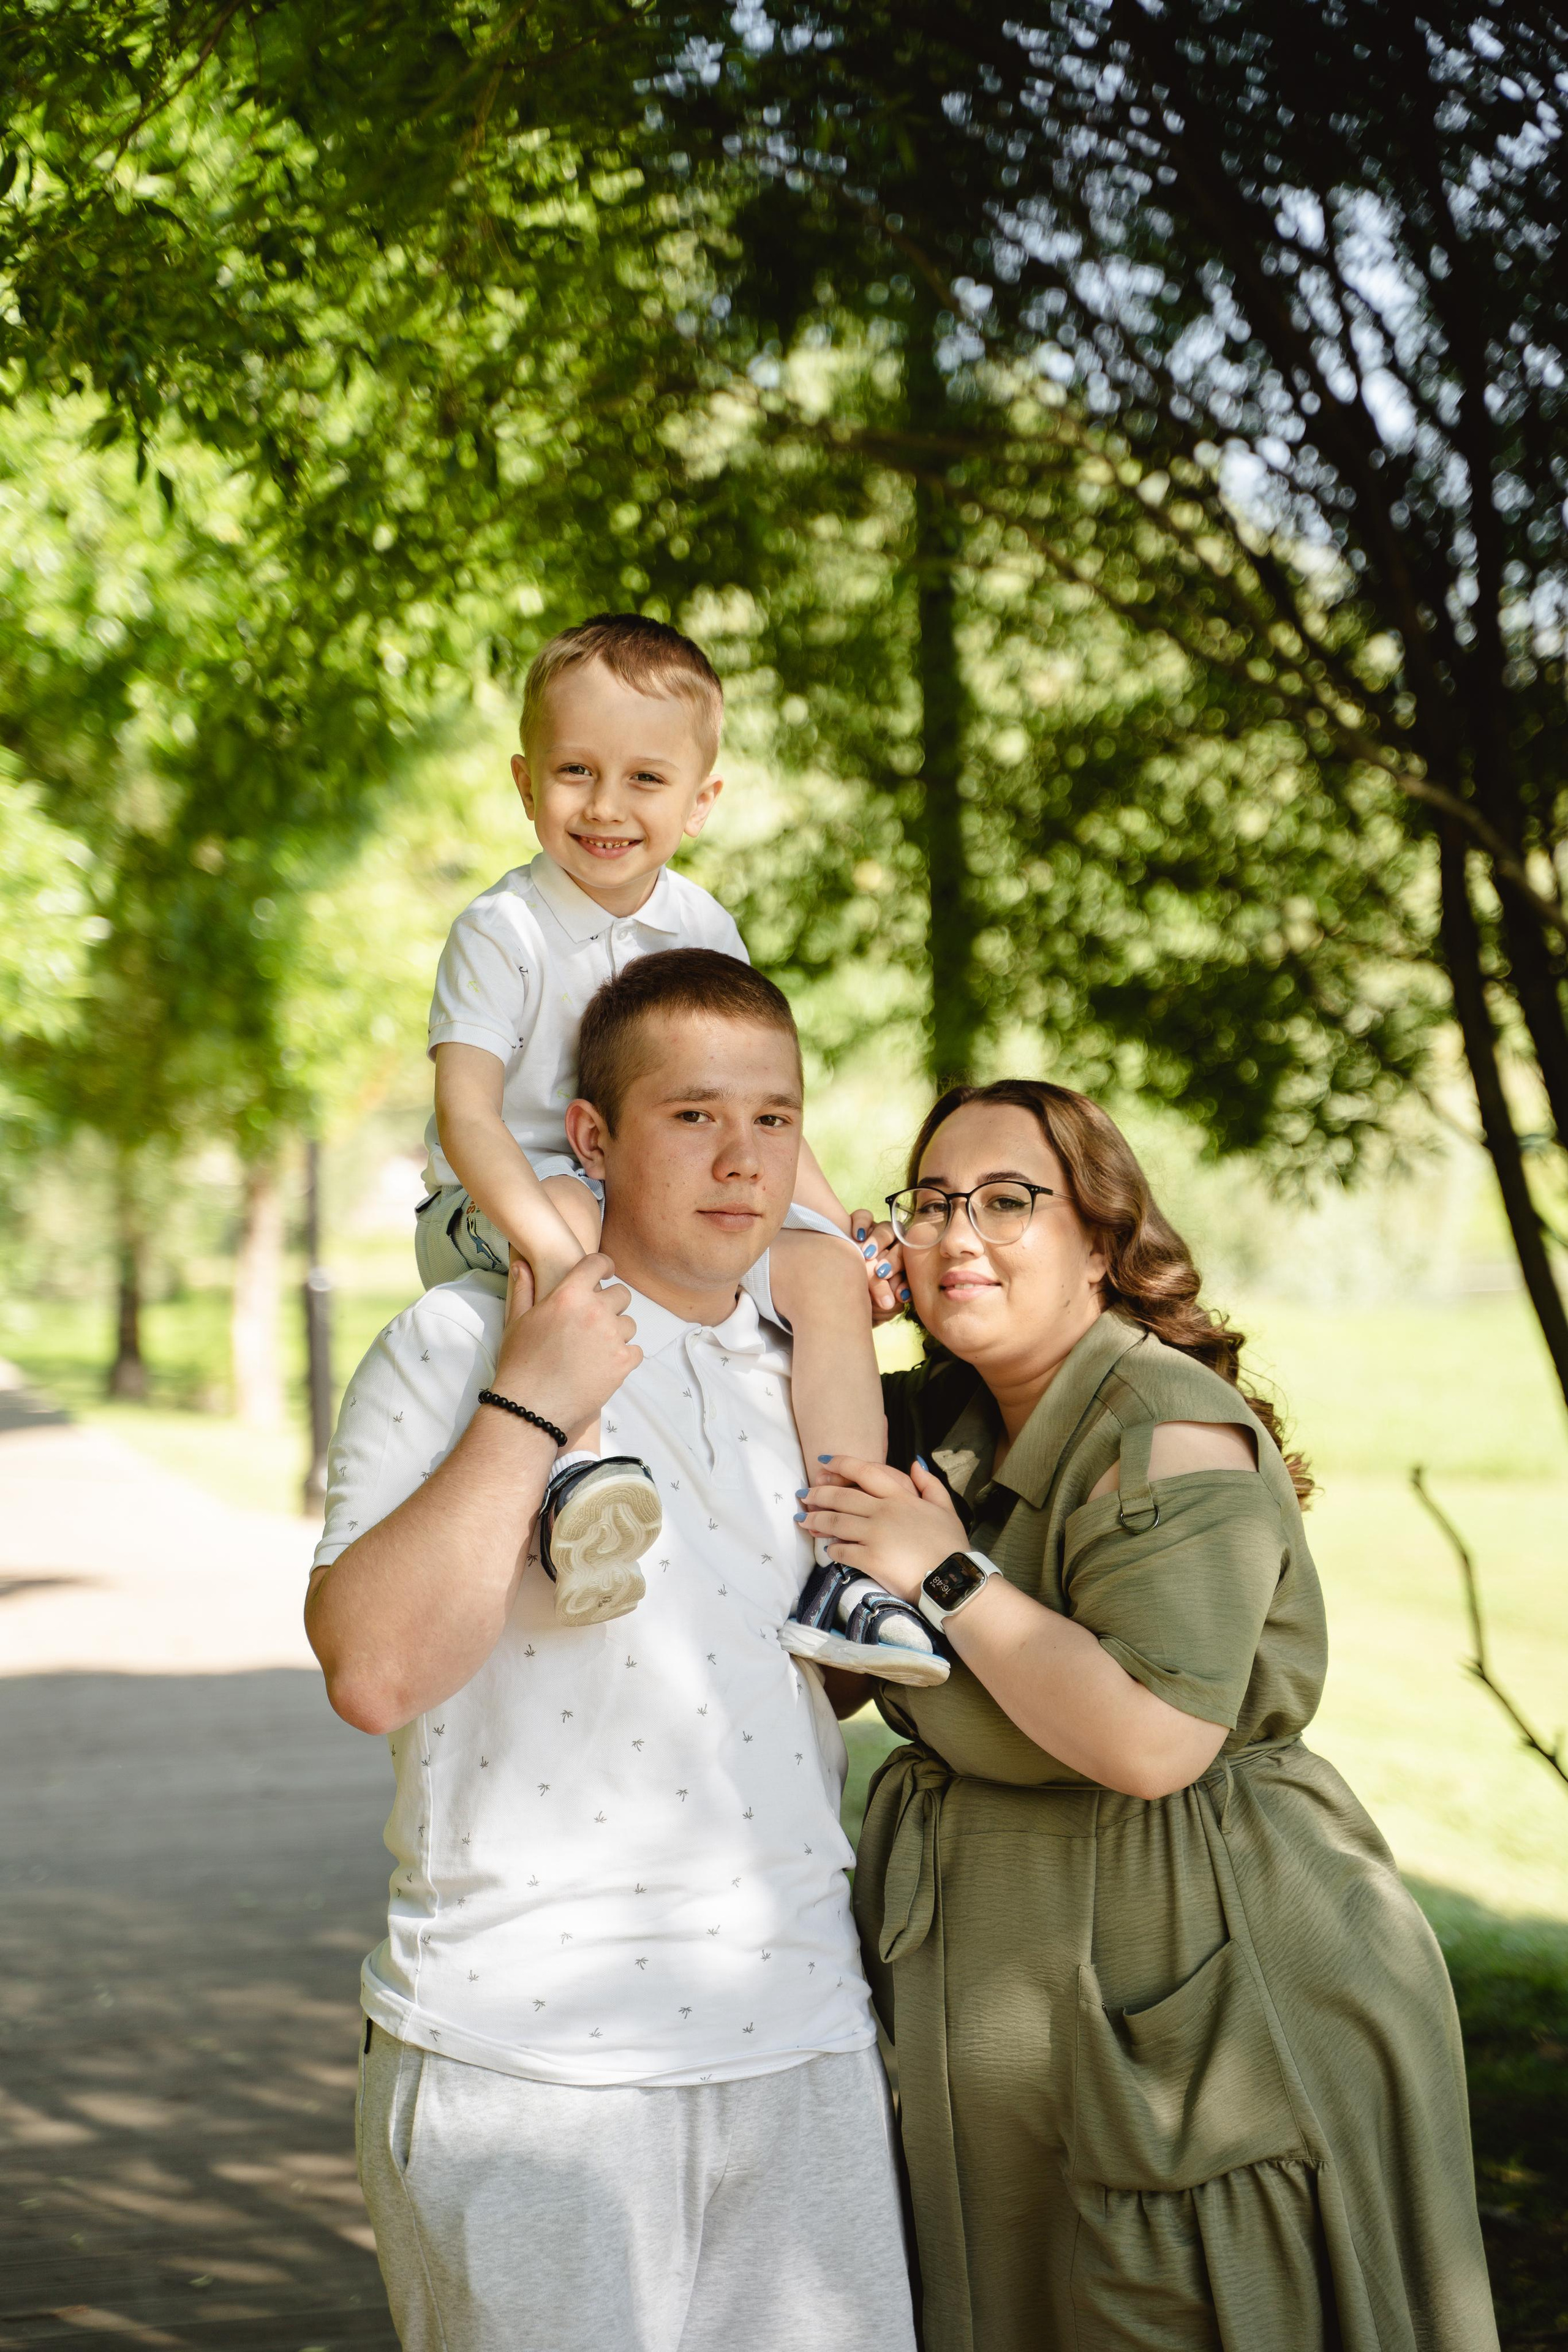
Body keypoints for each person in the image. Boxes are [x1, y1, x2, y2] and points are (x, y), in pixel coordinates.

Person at [797, 1078, 1499, 2352]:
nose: (959, 1234)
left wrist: (939, 1574)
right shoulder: (936, 1422)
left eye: (1009, 1202)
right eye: (930, 1203)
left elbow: (1151, 1742)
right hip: (1003, 1967)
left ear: (1101, 1244)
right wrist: (826, 1290)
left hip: (1190, 1960)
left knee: (1176, 2299)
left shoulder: (1168, 1429)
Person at [305, 950, 918, 2352]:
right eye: (694, 1114)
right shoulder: (453, 1342)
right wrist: (530, 1404)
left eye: (773, 1118)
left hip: (800, 2042)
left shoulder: (812, 1382)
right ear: (592, 1138)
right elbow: (373, 1673)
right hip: (521, 2061)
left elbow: (802, 1682)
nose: (742, 1158)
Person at [413, 611, 900, 1627]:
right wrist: (557, 1244)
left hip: (652, 1195)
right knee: (574, 1220)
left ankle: (852, 1557)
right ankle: (576, 1481)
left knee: (824, 1275)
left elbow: (757, 1112)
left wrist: (841, 1226)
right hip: (507, 1198)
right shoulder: (503, 931)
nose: (607, 806)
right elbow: (468, 1117)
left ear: (701, 798)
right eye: (575, 772)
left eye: (645, 779)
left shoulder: (702, 925)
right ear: (522, 781)